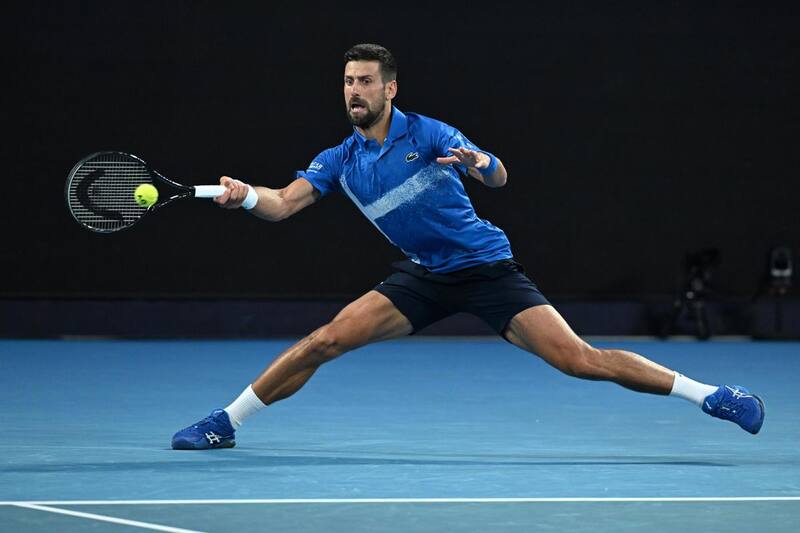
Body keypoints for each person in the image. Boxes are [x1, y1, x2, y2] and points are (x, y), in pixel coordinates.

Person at [171, 44, 764, 450]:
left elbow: (498, 174)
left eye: (366, 82)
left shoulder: (427, 133)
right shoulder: (339, 160)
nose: (355, 91)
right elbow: (284, 202)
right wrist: (247, 196)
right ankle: (226, 422)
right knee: (325, 339)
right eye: (348, 82)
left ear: (390, 87)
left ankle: (714, 397)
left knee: (580, 360)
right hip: (424, 276)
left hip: (486, 269)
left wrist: (480, 164)